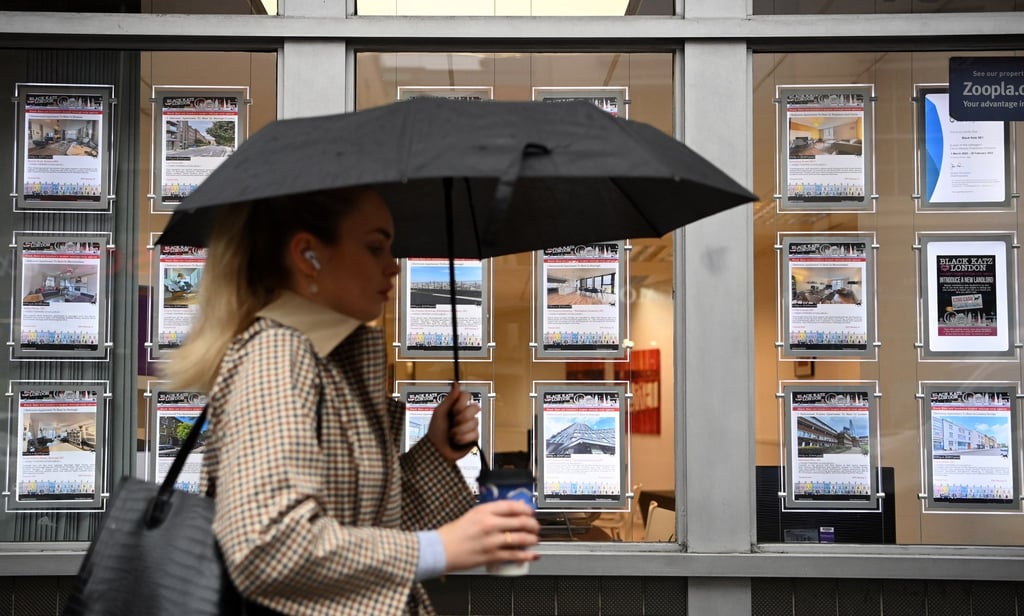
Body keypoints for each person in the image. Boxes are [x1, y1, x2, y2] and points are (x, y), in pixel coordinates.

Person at [162, 188, 540, 615]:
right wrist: (440, 548)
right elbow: (266, 545)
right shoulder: (278, 356)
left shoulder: (327, 361)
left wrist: (436, 452)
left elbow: (365, 529)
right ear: (309, 255)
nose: (393, 267)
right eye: (375, 247)